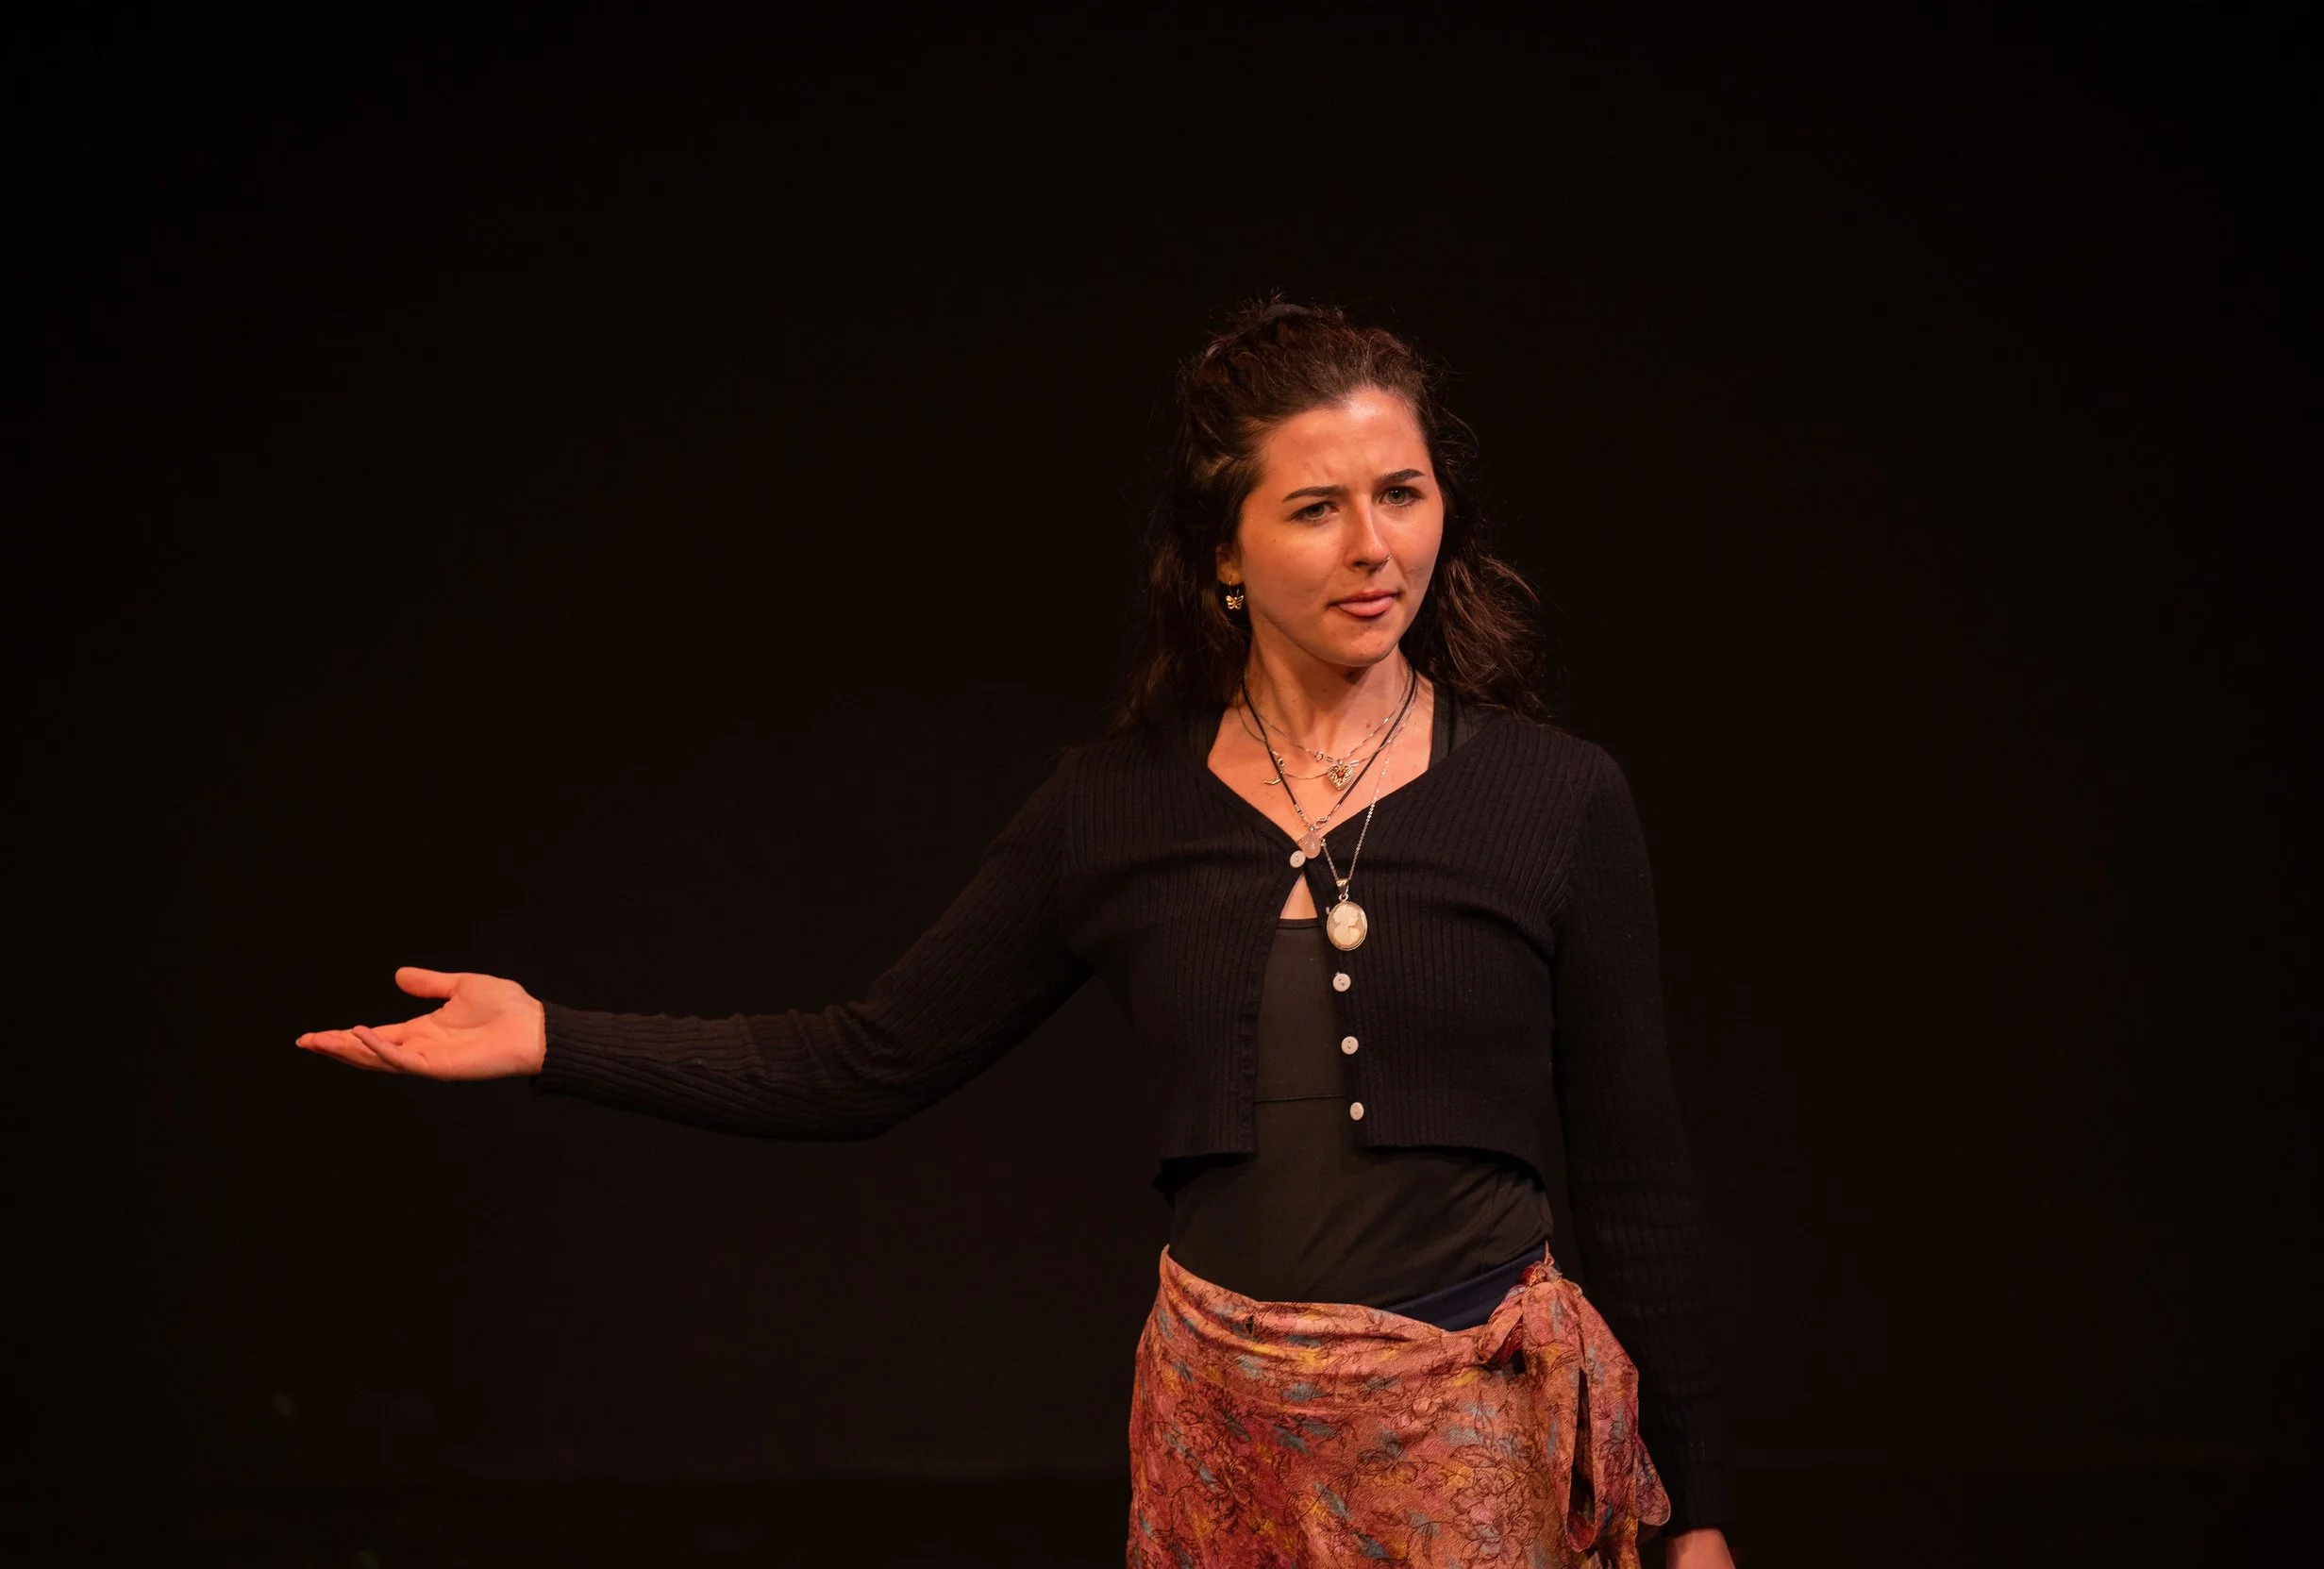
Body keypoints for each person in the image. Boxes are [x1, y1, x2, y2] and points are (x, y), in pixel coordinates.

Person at [298, 300, 1735, 1568]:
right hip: (1224, 1442)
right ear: (1223, 552)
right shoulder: (1115, 808)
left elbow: (1635, 1174)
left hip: (1477, 1451)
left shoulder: (1554, 796)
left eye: (1402, 494)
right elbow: (864, 1061)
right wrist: (553, 1038)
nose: (1375, 547)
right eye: (1316, 508)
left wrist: (1697, 1509)